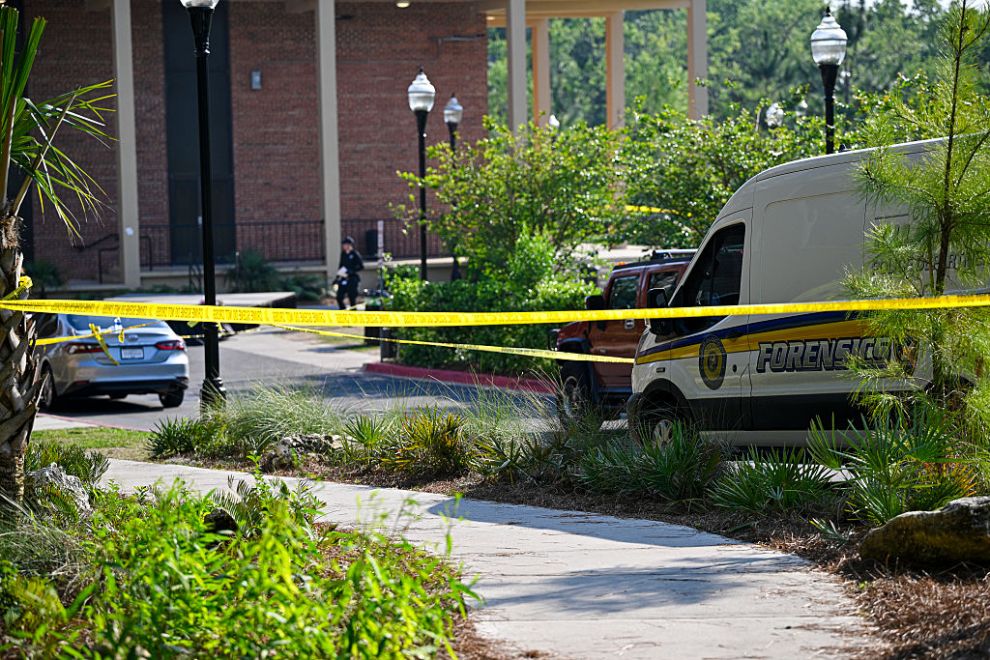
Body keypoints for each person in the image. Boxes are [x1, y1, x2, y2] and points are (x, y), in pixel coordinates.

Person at [335, 236, 364, 309]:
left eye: (345, 244)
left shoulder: (355, 254)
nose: (344, 246)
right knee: (339, 297)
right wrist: (338, 277)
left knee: (352, 298)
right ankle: (342, 310)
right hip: (344, 278)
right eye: (343, 245)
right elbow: (341, 265)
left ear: (349, 245)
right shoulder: (343, 254)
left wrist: (351, 271)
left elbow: (361, 266)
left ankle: (353, 313)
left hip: (352, 279)